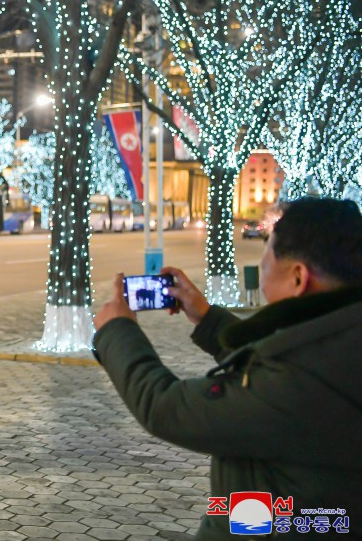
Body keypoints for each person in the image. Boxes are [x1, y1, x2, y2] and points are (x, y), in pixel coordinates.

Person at [92, 197, 362, 540]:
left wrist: (117, 330)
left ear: (298, 278)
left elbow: (166, 408)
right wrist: (206, 317)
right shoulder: (341, 336)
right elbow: (272, 354)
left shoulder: (295, 381)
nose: (262, 266)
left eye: (268, 254)